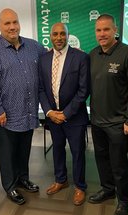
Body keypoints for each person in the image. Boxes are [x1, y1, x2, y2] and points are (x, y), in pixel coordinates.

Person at [0, 9, 46, 205]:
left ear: (19, 23)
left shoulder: (34, 47)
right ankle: (10, 186)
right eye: (7, 23)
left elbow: (50, 61)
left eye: (14, 22)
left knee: (24, 150)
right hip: (4, 115)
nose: (12, 27)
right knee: (7, 154)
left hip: (28, 112)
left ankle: (23, 178)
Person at [88, 14, 128, 215]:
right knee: (101, 159)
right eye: (99, 30)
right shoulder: (92, 55)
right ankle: (107, 189)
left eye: (106, 29)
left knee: (119, 163)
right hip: (97, 120)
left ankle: (124, 200)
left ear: (115, 30)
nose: (102, 34)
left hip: (118, 123)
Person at [39, 23, 90, 205]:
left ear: (68, 35)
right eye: (55, 34)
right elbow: (41, 89)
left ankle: (80, 186)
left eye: (62, 34)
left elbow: (83, 91)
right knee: (58, 149)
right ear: (50, 37)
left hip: (74, 117)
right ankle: (60, 180)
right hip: (53, 117)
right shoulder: (43, 59)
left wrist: (66, 113)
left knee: (78, 152)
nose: (59, 37)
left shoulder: (81, 57)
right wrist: (50, 112)